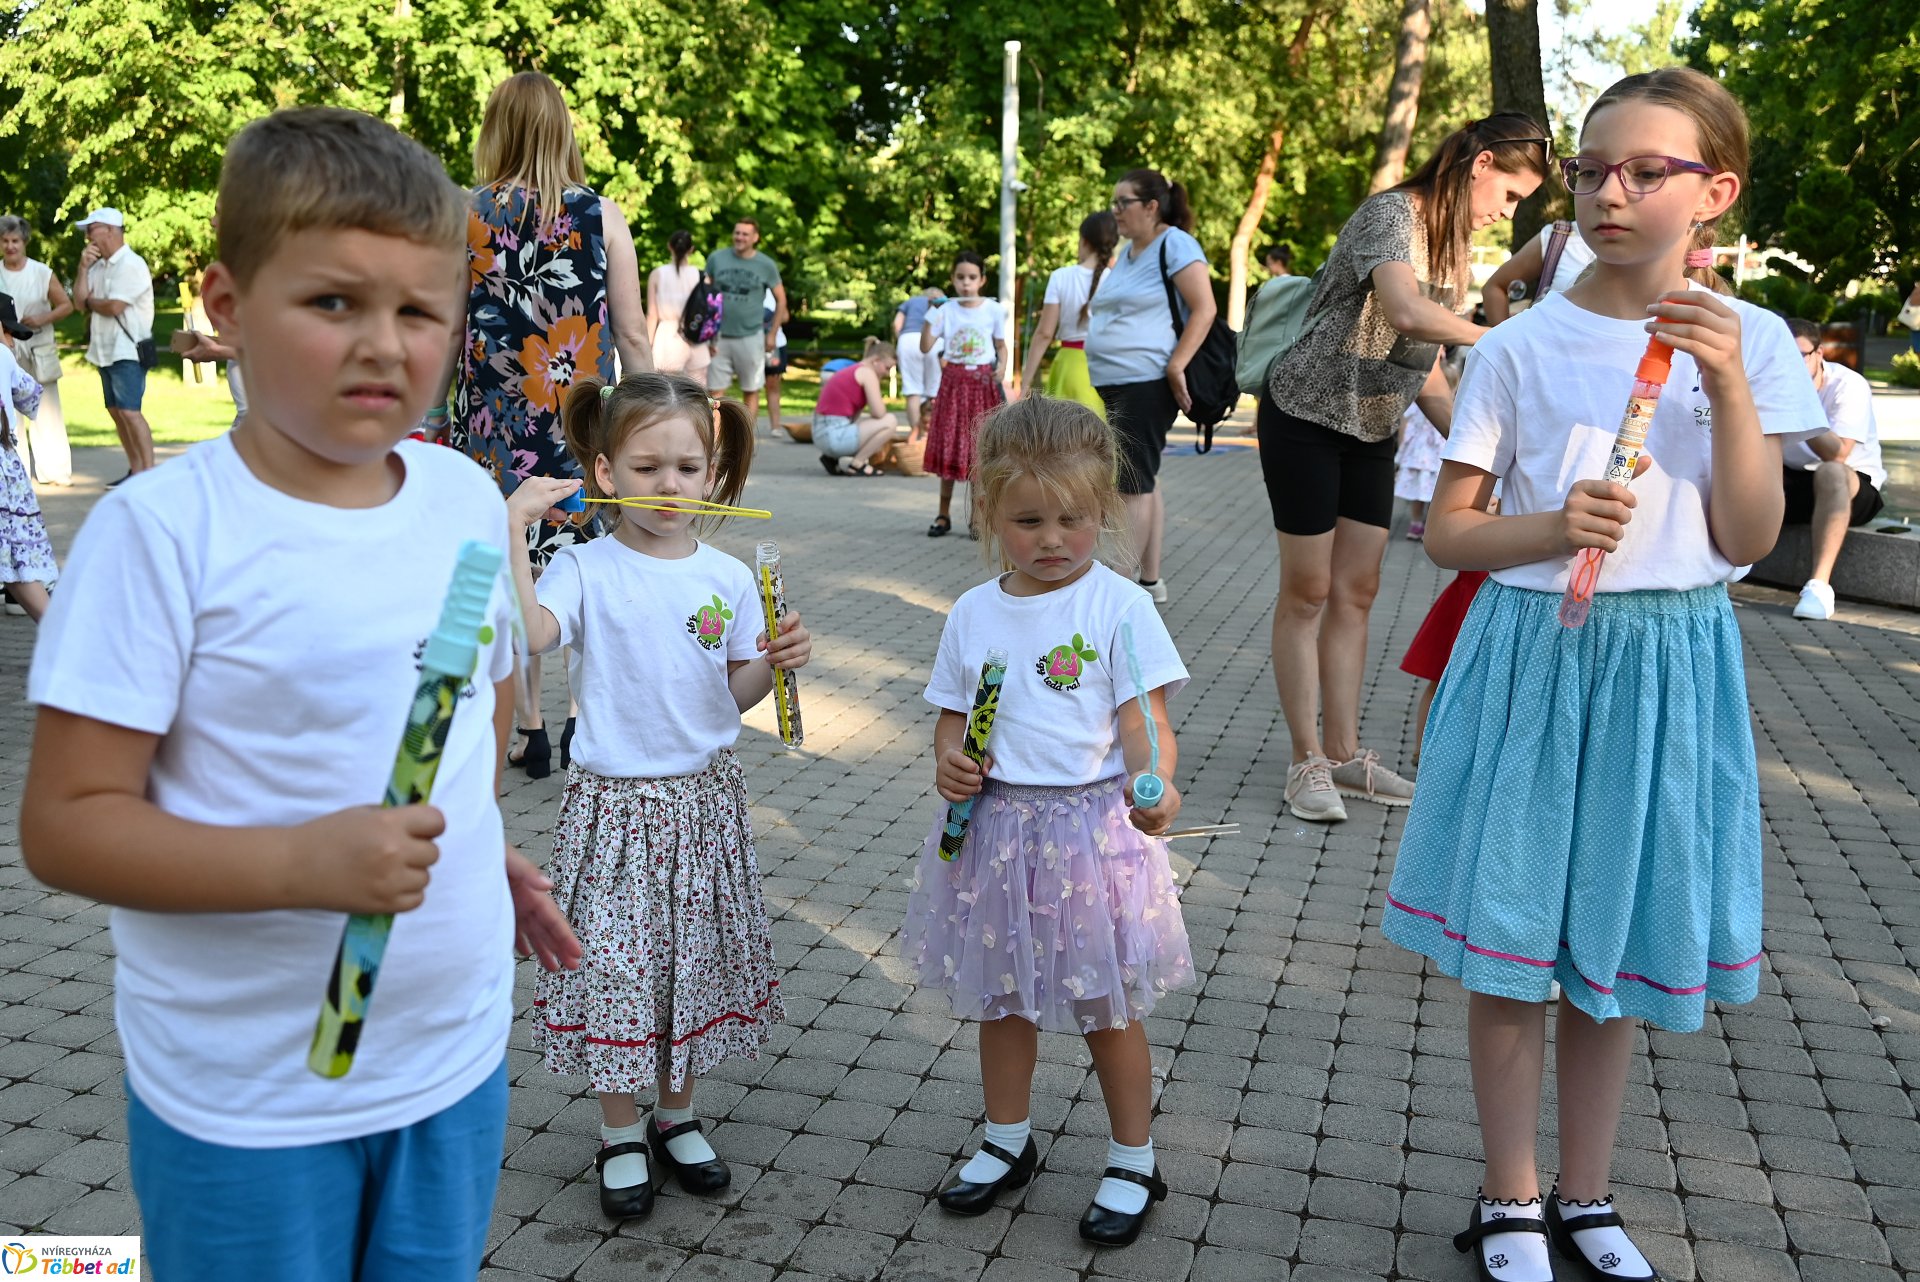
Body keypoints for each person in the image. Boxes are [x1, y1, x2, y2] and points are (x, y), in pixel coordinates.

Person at [18, 105, 581, 1279]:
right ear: (225, 310)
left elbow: (460, 725)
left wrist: (477, 848)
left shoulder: (463, 503)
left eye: (420, 310)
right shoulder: (159, 535)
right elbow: (66, 829)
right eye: (334, 303)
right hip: (250, 1099)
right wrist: (301, 866)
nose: (385, 343)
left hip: (452, 1060)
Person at [1382, 69, 1825, 1282]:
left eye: (1645, 171)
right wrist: (1552, 525)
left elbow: (1744, 537)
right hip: (1534, 654)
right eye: (1589, 171)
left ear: (1713, 194)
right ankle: (1511, 1195)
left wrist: (1728, 382)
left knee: (1612, 947)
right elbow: (1456, 533)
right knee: (1511, 937)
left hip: (1670, 661)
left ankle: (1587, 1192)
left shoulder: (1758, 342)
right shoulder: (1520, 346)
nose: (1608, 194)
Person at [504, 373, 806, 1223]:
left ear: (711, 476)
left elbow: (734, 696)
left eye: (685, 467)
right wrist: (514, 523)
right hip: (615, 811)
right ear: (605, 473)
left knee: (688, 966)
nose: (666, 486)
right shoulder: (583, 566)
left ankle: (676, 1114)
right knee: (617, 971)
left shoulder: (731, 575)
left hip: (704, 804)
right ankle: (619, 1132)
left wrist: (775, 662)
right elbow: (531, 635)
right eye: (645, 467)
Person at [903, 395, 1192, 1248]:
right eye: (1028, 520)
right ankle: (1006, 1141)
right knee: (1002, 999)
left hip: (1093, 835)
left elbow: (1147, 721)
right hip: (997, 836)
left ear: (1103, 512)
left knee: (1108, 1007)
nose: (1053, 539)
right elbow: (953, 718)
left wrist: (1156, 782)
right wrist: (948, 759)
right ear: (989, 512)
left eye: (1072, 519)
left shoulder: (1119, 608)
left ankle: (1134, 1157)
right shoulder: (971, 612)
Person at [1260, 114, 1549, 822]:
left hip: (1371, 426)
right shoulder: (1394, 214)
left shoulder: (1453, 245)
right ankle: (1306, 764)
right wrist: (1500, 338)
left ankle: (1346, 756)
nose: (1505, 213)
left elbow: (1426, 372)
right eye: (1509, 196)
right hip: (1304, 414)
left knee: (1357, 592)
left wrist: (1489, 462)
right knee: (1308, 591)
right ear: (1481, 163)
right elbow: (1406, 311)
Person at [446, 71, 652, 781]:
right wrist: (652, 423)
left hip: (490, 426)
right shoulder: (603, 215)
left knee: (511, 563)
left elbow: (445, 334)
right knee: (583, 564)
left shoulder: (464, 215)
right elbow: (632, 334)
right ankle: (578, 723)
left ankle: (524, 724)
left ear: (495, 129)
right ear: (563, 130)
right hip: (581, 427)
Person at [1086, 169, 1218, 606]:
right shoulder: (1128, 252)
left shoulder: (1174, 243)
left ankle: (1118, 593)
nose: (1115, 211)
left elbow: (1204, 307)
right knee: (1142, 477)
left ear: (1151, 206)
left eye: (1123, 202)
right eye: (1114, 203)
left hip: (1146, 380)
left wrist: (1177, 364)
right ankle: (1147, 581)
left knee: (1130, 483)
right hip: (1119, 380)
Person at [1781, 316, 1886, 620]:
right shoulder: (1768, 383)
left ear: (1819, 354)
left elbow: (1838, 454)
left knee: (1831, 472)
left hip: (1851, 487)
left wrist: (1798, 402)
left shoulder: (1848, 385)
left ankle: (1818, 587)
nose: (1790, 365)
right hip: (1794, 482)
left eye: (1798, 356)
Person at [919, 251, 1008, 537]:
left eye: (972, 277)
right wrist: (931, 312)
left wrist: (1002, 367)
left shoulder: (993, 310)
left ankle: (978, 519)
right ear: (952, 280)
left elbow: (1001, 346)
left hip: (982, 383)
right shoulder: (945, 310)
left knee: (978, 452)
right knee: (950, 447)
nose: (966, 284)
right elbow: (925, 346)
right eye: (960, 278)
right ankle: (943, 515)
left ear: (982, 280)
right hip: (953, 384)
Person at [71, 207, 154, 485]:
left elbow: (113, 306)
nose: (88, 236)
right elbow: (78, 302)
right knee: (117, 412)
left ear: (110, 230)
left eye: (91, 229)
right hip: (104, 350)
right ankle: (135, 470)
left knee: (130, 411)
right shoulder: (97, 267)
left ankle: (148, 476)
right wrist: (82, 268)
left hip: (127, 349)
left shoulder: (132, 264)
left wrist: (92, 303)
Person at [1017, 210, 1116, 416]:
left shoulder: (1060, 277)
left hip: (1068, 365)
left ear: (1084, 241)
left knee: (1061, 440)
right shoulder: (1117, 280)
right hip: (1106, 367)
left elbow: (1044, 334)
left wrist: (1025, 383)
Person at [0, 215, 75, 485]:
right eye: (5, 241)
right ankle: (16, 473)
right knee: (9, 413)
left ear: (25, 242)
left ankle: (55, 471)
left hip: (39, 349)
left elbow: (66, 305)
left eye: (15, 241)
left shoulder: (41, 272)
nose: (10, 246)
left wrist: (42, 319)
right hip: (6, 352)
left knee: (47, 410)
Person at [0, 302, 58, 616]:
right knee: (17, 562)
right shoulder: (4, 356)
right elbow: (30, 397)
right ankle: (61, 636)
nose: (12, 340)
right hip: (7, 472)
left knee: (14, 564)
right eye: (9, 332)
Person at [704, 219, 786, 433]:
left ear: (755, 238)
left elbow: (781, 300)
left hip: (751, 335)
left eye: (745, 234)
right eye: (737, 233)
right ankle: (716, 438)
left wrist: (772, 334)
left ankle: (745, 436)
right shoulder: (717, 258)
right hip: (719, 336)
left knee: (751, 388)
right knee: (716, 391)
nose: (740, 237)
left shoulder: (765, 265)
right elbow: (705, 294)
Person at [813, 337, 898, 475]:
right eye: (887, 368)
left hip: (822, 433)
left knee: (871, 423)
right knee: (890, 421)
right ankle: (857, 463)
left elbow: (853, 415)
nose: (887, 373)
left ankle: (832, 458)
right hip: (833, 437)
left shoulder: (853, 370)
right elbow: (879, 413)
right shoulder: (867, 373)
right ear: (875, 361)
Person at [648, 230, 711, 380]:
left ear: (670, 246)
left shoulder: (657, 274)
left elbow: (652, 315)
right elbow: (710, 311)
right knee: (698, 392)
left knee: (666, 389)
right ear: (691, 249)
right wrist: (713, 341)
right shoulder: (701, 276)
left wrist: (648, 342)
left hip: (667, 337)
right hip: (696, 335)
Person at [893, 286, 946, 432]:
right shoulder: (942, 303)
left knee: (912, 390)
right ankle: (933, 433)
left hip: (907, 339)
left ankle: (916, 432)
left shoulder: (911, 301)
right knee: (934, 390)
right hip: (934, 341)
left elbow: (897, 324)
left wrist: (902, 341)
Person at [1394, 398, 1446, 540]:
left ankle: (1424, 524)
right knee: (1424, 492)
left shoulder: (1420, 405)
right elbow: (1404, 425)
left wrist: (1402, 448)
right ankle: (1421, 524)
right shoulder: (1419, 405)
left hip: (1429, 456)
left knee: (1428, 492)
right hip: (1424, 456)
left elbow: (1404, 427)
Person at [762, 287, 791, 437]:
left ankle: (775, 426)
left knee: (773, 385)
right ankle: (746, 430)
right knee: (750, 389)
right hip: (750, 346)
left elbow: (785, 317)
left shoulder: (773, 291)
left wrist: (770, 318)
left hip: (775, 345)